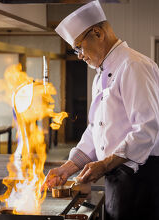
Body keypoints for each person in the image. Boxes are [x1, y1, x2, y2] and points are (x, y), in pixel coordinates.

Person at [41, 1, 159, 220]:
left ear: (97, 33)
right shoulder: (100, 76)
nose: (78, 55)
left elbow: (147, 129)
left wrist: (103, 165)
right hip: (117, 178)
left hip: (142, 179)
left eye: (78, 47)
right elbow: (96, 132)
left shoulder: (133, 65)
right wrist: (67, 168)